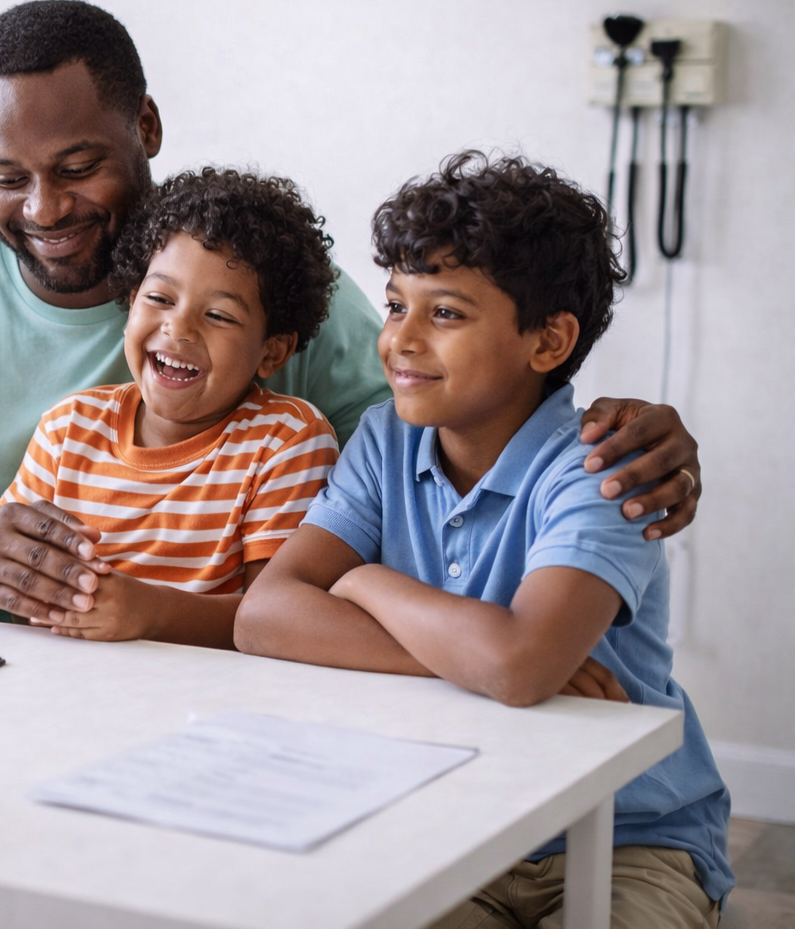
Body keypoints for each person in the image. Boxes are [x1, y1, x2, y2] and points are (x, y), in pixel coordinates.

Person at [0, 0, 707, 634]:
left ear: (145, 128)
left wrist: (604, 434)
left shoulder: (279, 295)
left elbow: (447, 426)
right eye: (7, 176)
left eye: (78, 167)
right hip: (10, 670)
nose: (43, 208)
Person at [233, 152, 732, 926]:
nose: (400, 340)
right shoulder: (383, 442)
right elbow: (264, 618)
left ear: (548, 341)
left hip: (631, 832)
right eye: (397, 305)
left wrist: (362, 582)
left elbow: (520, 663)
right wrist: (479, 664)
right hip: (458, 815)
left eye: (446, 313)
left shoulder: (606, 468)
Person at [0, 167, 340, 647]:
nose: (178, 330)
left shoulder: (286, 440)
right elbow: (17, 581)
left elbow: (274, 620)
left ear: (272, 352)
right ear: (131, 301)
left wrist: (149, 613)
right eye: (159, 298)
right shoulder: (67, 429)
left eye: (218, 315)